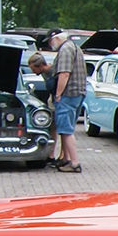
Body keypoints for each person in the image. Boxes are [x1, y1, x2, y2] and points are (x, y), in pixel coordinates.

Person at [48, 30, 86, 173]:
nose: (50, 44)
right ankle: (66, 159)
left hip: (68, 94)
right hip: (79, 93)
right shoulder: (76, 47)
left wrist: (58, 94)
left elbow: (64, 74)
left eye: (50, 41)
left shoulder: (65, 49)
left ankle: (74, 163)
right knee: (68, 128)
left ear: (56, 38)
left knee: (66, 130)